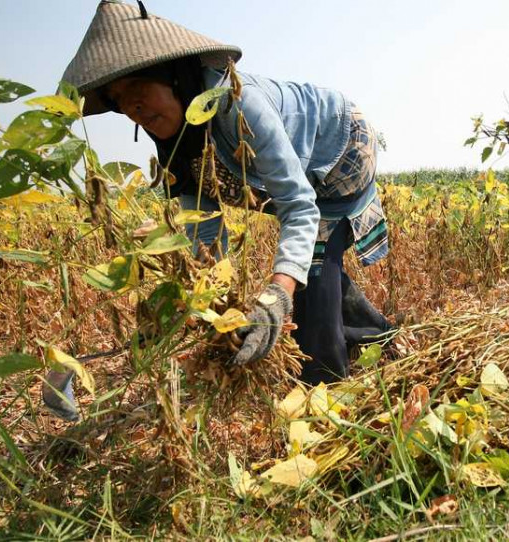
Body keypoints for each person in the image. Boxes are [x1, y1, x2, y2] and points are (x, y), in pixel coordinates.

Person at [43, 1, 391, 421]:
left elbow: (298, 207)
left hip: (340, 146)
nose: (135, 109)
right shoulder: (176, 145)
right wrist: (202, 302)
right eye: (122, 104)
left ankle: (326, 401)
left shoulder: (236, 105)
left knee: (313, 304)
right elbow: (206, 237)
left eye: (138, 92)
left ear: (173, 75)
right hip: (292, 175)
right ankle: (374, 334)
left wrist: (277, 297)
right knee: (317, 266)